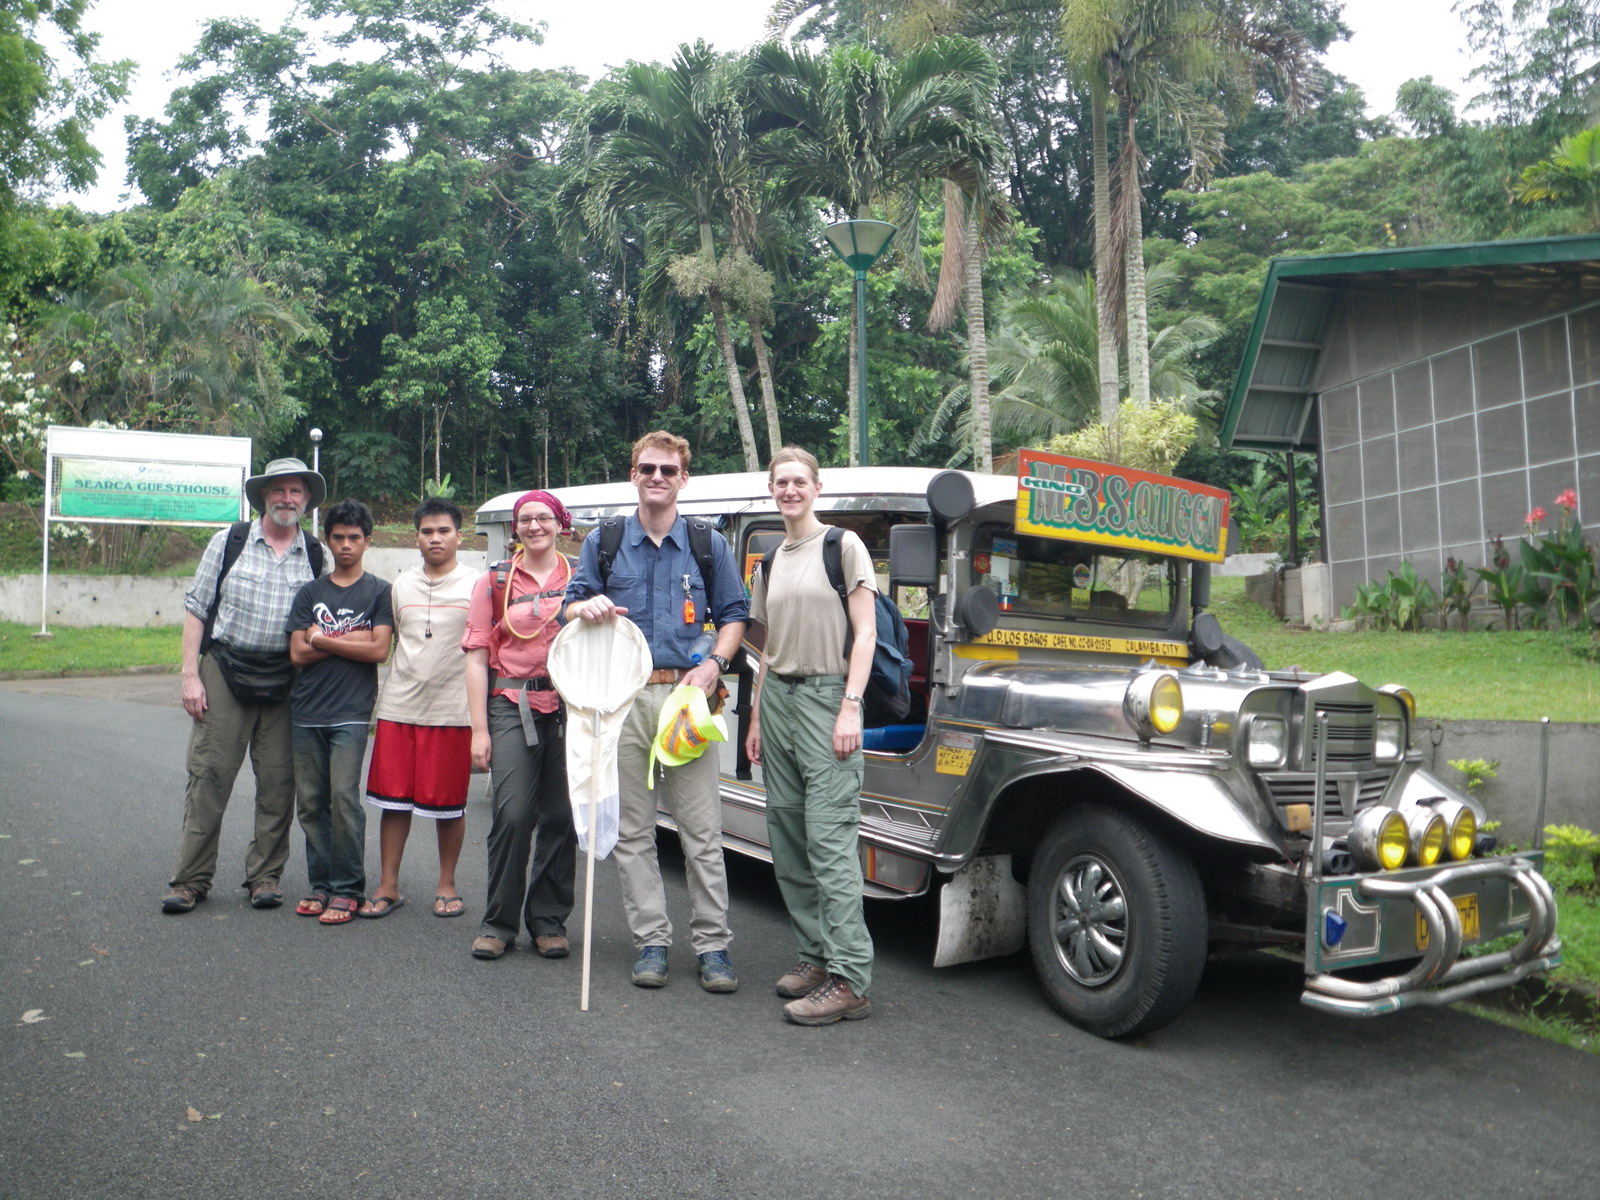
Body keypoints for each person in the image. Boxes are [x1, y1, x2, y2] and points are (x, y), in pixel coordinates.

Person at [565, 431, 748, 992]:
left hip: (687, 700)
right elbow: (569, 606)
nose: (658, 478)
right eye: (648, 468)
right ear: (634, 474)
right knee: (633, 831)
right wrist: (584, 605)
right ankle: (651, 942)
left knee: (701, 831)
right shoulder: (606, 540)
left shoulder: (706, 542)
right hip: (621, 700)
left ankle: (713, 947)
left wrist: (716, 662)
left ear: (683, 478)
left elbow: (736, 612)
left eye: (669, 470)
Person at [744, 447, 876, 1024]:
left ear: (816, 487)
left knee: (829, 842)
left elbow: (866, 632)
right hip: (777, 700)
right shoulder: (769, 561)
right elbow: (765, 649)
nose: (790, 490)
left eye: (799, 481)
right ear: (772, 490)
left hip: (828, 697)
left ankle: (851, 978)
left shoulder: (842, 547)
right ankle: (815, 958)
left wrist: (851, 706)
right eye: (781, 482)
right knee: (789, 838)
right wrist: (753, 718)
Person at [163, 456, 327, 915]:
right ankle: (190, 880)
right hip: (224, 668)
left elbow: (328, 622)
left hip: (288, 679)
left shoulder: (317, 554)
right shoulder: (228, 542)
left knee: (278, 782)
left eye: (296, 491)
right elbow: (197, 608)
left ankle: (265, 877)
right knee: (210, 777)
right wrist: (190, 675)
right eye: (278, 490)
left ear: (307, 499)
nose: (286, 498)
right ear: (262, 497)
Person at [462, 490, 578, 961]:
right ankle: (499, 921)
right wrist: (479, 729)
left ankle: (548, 921)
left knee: (562, 817)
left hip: (571, 706)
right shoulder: (495, 580)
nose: (534, 526)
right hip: (511, 703)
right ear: (515, 528)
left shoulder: (580, 575)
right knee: (512, 816)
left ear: (559, 524)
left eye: (543, 518)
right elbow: (475, 657)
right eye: (525, 520)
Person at [358, 499, 477, 921]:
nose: (435, 538)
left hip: (452, 710)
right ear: (417, 538)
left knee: (450, 804)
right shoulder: (400, 586)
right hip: (399, 707)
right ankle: (388, 885)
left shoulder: (477, 586)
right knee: (394, 802)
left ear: (459, 536)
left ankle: (447, 884)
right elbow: (382, 643)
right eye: (427, 532)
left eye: (444, 530)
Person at [286, 499, 393, 926]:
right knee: (311, 803)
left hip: (350, 713)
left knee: (344, 799)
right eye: (338, 537)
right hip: (306, 710)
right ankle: (321, 884)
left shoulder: (379, 591)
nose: (346, 545)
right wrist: (352, 638)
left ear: (367, 541)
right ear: (327, 541)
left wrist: (322, 639)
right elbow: (296, 652)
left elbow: (380, 650)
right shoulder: (310, 593)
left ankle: (348, 888)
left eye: (354, 538)